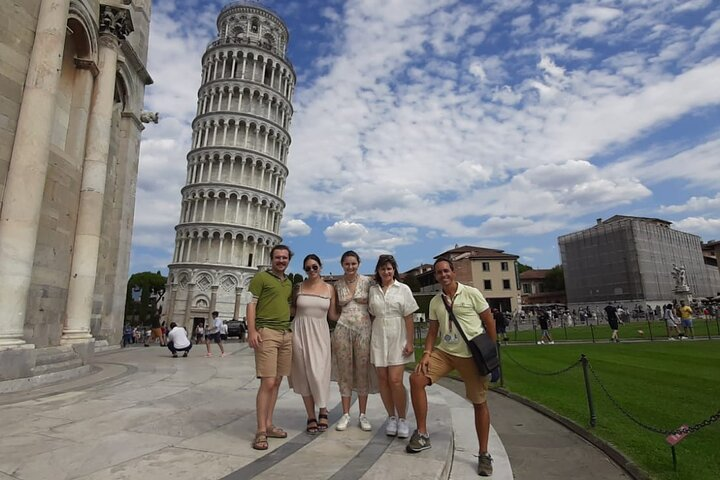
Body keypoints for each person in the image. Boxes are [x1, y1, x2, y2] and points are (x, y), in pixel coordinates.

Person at [407, 257, 496, 477]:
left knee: (479, 402)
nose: (443, 275)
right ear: (436, 276)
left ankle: (484, 453)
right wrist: (427, 354)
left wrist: (491, 352)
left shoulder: (471, 293)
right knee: (416, 379)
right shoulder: (436, 302)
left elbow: (489, 321)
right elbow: (432, 332)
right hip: (445, 352)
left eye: (446, 271)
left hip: (471, 354)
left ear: (453, 272)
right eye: (439, 272)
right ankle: (422, 434)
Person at [247, 245, 294, 451]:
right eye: (278, 257)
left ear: (288, 260)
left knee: (276, 382)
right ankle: (260, 431)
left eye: (284, 258)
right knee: (267, 382)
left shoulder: (288, 283)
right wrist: (252, 331)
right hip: (267, 333)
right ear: (271, 259)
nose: (281, 261)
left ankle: (268, 424)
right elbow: (251, 305)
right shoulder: (261, 278)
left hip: (285, 334)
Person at [368, 254, 418, 439]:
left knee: (396, 380)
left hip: (398, 336)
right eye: (383, 269)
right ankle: (391, 417)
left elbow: (409, 317)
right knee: (383, 380)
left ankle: (403, 418)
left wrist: (410, 342)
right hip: (379, 335)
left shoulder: (403, 289)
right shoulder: (373, 291)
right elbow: (372, 314)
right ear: (378, 271)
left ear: (394, 270)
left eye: (389, 268)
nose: (386, 272)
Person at [290, 254, 339, 434]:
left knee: (319, 374)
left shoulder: (329, 289)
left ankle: (323, 410)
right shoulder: (298, 288)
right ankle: (311, 415)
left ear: (321, 267)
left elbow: (333, 315)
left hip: (320, 332)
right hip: (299, 332)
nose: (311, 270)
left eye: (314, 267)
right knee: (303, 375)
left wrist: (355, 317)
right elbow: (292, 310)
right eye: (308, 268)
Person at [332, 251, 377, 432]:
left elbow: (374, 308)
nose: (350, 267)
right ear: (342, 265)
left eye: (353, 264)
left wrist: (369, 324)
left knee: (362, 371)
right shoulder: (337, 284)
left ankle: (363, 414)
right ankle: (345, 414)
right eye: (347, 264)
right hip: (343, 329)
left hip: (364, 329)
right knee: (345, 372)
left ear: (359, 263)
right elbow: (333, 310)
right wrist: (339, 323)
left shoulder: (368, 282)